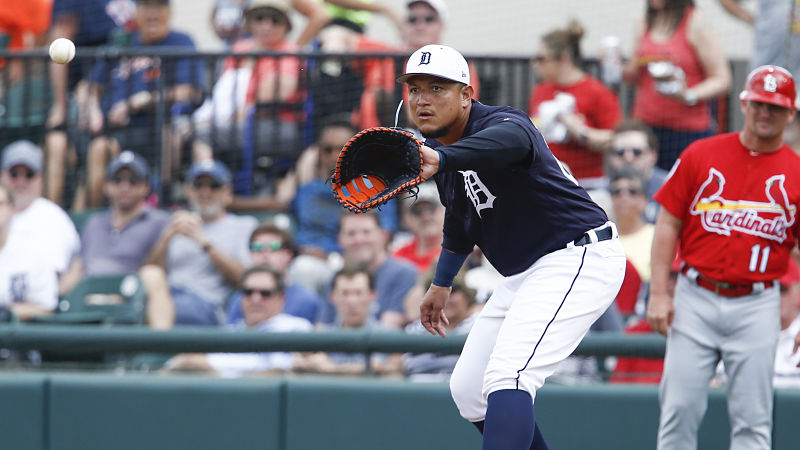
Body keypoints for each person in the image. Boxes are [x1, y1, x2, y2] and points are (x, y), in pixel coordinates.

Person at [401, 44, 626, 449]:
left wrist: (444, 158)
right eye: (414, 89)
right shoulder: (446, 157)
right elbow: (460, 220)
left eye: (437, 87)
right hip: (528, 273)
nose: (423, 99)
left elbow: (513, 143)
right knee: (469, 390)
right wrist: (442, 283)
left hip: (578, 255)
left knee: (511, 376)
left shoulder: (503, 122)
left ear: (467, 95)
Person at [646, 65, 800, 449]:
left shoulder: (796, 172)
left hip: (758, 302)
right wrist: (660, 292)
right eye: (760, 104)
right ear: (744, 103)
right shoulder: (703, 153)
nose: (765, 114)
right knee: (678, 410)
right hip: (695, 295)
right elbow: (667, 225)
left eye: (775, 108)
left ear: (790, 114)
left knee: (753, 420)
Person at [87, 0, 204, 207]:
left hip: (160, 125)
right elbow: (92, 87)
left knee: (171, 137)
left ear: (169, 12)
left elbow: (189, 91)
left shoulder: (181, 41)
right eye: (146, 7)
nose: (153, 14)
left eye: (159, 7)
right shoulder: (122, 42)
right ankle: (94, 211)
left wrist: (140, 100)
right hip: (118, 130)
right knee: (99, 149)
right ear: (137, 12)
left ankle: (163, 200)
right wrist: (93, 111)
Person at [141, 160, 257, 326]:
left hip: (204, 303)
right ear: (188, 191)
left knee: (174, 310)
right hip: (163, 297)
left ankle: (160, 343)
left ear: (228, 193)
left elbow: (244, 279)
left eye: (214, 186)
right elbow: (151, 269)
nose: (205, 192)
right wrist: (167, 237)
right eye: (198, 185)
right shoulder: (174, 223)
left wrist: (204, 243)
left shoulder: (243, 225)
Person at [44, 0, 136, 207]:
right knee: (73, 149)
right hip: (84, 94)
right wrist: (61, 106)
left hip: (123, 89)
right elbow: (61, 38)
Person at [623, 0, 731, 171]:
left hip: (685, 132)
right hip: (646, 128)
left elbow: (722, 79)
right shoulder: (644, 21)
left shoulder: (695, 23)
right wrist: (618, 68)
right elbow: (634, 76)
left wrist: (688, 95)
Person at [76, 150, 173, 328]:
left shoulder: (160, 222)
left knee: (152, 275)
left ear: (145, 187)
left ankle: (160, 347)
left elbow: (160, 270)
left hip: (131, 298)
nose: (124, 186)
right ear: (106, 186)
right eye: (117, 180)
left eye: (133, 181)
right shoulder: (93, 223)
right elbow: (78, 267)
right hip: (88, 298)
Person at [164, 265, 312, 376]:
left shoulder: (295, 327)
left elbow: (277, 371)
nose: (255, 299)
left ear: (281, 298)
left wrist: (211, 369)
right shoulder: (230, 332)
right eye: (248, 292)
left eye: (265, 293)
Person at [528, 19, 622, 189]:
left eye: (541, 59)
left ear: (563, 59)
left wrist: (581, 132)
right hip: (546, 180)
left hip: (585, 183)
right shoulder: (540, 90)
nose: (535, 64)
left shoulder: (597, 92)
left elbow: (617, 138)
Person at [0, 140, 81, 297]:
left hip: (31, 306)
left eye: (29, 175)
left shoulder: (53, 218)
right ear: (2, 176)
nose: (21, 182)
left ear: (41, 179)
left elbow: (51, 278)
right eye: (14, 174)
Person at [293, 264, 401, 375]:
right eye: (345, 293)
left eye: (358, 293)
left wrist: (331, 368)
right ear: (333, 297)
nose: (352, 301)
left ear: (372, 295)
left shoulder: (391, 336)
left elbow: (390, 368)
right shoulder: (318, 337)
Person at [316, 212, 417, 329]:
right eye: (351, 233)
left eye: (366, 232)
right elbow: (321, 328)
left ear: (383, 235)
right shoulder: (337, 276)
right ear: (339, 240)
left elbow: (389, 331)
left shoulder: (403, 273)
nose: (359, 239)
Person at [225, 222, 324, 324]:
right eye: (257, 247)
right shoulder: (242, 297)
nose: (265, 254)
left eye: (274, 247)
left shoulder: (306, 300)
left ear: (289, 255)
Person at [0, 185, 58, 321]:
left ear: (12, 209)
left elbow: (47, 307)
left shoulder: (33, 249)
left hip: (20, 338)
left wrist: (8, 312)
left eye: (0, 204)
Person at [404, 274, 477, 382]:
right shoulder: (415, 329)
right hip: (418, 392)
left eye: (453, 291)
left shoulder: (479, 324)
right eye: (436, 293)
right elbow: (394, 364)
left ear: (466, 295)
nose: (445, 298)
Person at [607, 119, 668, 223]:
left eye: (637, 152)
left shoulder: (669, 187)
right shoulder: (603, 194)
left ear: (653, 156)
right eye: (620, 152)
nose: (628, 158)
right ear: (611, 158)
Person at [392, 181, 445, 273]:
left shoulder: (463, 250)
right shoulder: (398, 256)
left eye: (432, 208)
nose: (426, 215)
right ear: (406, 219)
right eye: (417, 211)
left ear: (445, 210)